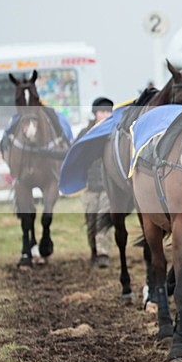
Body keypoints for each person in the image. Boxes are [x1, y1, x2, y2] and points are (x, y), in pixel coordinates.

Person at [77, 97, 114, 268]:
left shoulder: (114, 133)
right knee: (91, 220)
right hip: (89, 185)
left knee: (103, 218)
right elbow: (74, 154)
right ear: (95, 113)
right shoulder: (86, 133)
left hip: (108, 185)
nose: (105, 114)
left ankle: (103, 253)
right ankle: (94, 251)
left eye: (108, 111)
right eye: (102, 111)